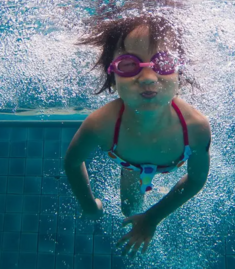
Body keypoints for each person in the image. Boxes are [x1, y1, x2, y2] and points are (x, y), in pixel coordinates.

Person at [64, 1, 211, 258]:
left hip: (168, 161)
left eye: (163, 62)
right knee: (128, 209)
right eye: (129, 65)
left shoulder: (195, 127)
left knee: (141, 215)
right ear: (112, 74)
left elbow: (196, 179)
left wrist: (153, 218)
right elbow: (72, 163)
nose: (148, 78)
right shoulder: (101, 124)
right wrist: (88, 205)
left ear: (179, 69)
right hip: (130, 164)